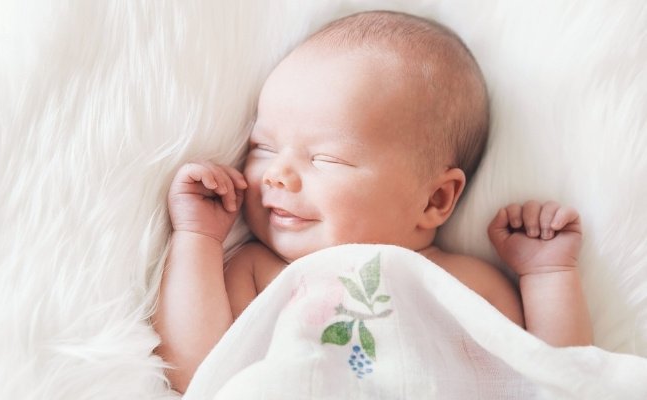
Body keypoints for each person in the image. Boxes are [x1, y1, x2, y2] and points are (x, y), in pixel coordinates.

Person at [152, 10, 592, 393]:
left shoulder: (466, 283)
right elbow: (197, 370)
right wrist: (197, 238)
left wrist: (548, 275)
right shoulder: (261, 271)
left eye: (326, 158)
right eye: (263, 147)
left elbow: (558, 378)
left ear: (434, 199)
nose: (276, 174)